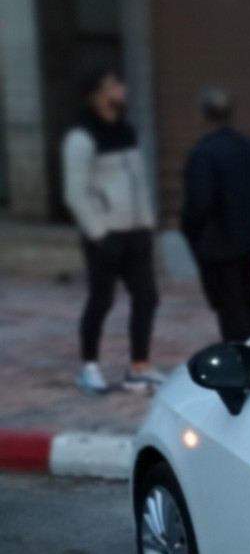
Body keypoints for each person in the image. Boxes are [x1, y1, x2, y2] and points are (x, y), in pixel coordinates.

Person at [62, 68, 163, 395]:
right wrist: (99, 232)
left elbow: (137, 181)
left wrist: (146, 222)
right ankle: (89, 367)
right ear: (97, 94)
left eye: (122, 83)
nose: (123, 89)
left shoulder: (127, 130)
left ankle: (139, 368)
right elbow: (75, 193)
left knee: (147, 297)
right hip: (107, 236)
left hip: (136, 232)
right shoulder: (82, 137)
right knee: (101, 300)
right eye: (113, 85)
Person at [180, 88, 250, 342]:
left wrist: (190, 229)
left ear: (203, 115)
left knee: (231, 305)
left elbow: (199, 201)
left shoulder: (205, 153)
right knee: (245, 297)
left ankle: (242, 354)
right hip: (248, 239)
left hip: (219, 242)